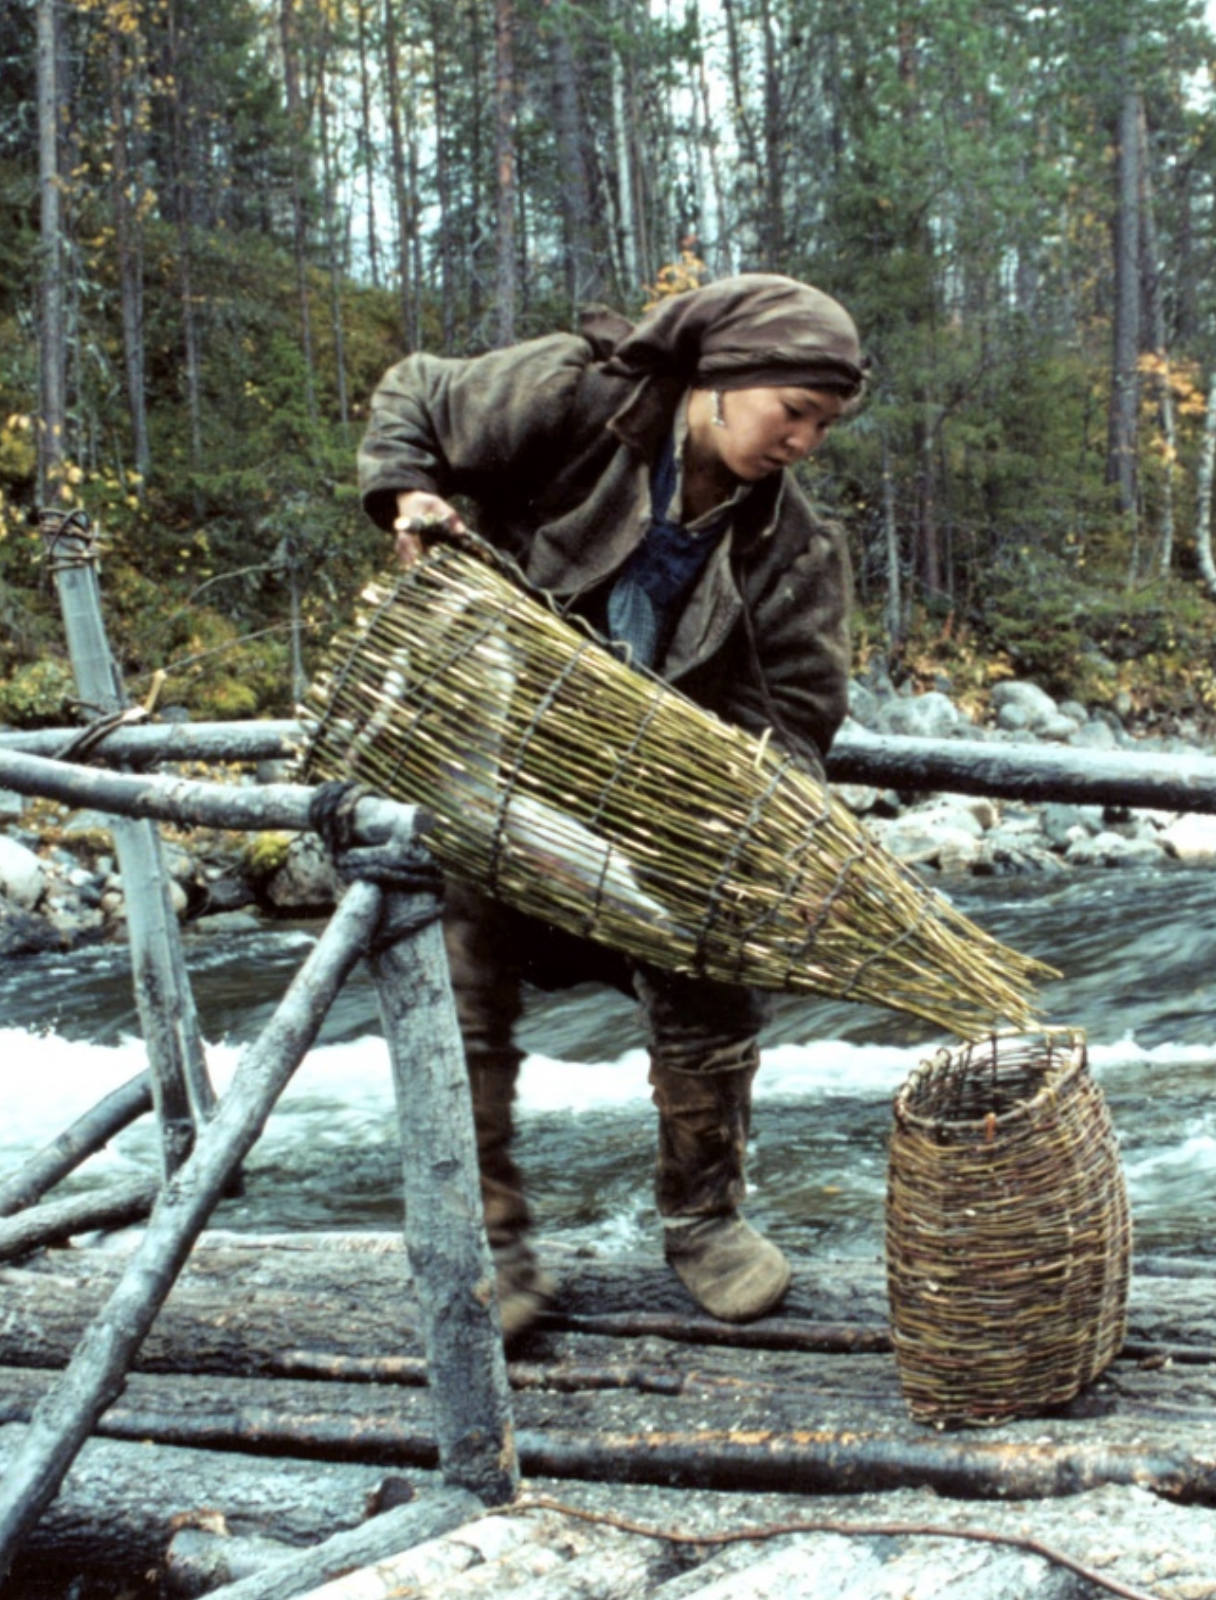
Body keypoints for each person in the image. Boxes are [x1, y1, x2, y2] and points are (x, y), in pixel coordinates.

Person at [355, 273, 867, 1335]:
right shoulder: (570, 403)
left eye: (824, 424)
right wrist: (405, 493)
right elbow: (415, 390)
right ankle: (487, 1237)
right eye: (793, 412)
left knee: (716, 958)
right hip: (495, 755)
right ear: (723, 382)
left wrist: (745, 809)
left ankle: (704, 1220)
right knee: (459, 971)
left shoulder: (795, 548)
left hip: (652, 797)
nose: (804, 442)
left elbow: (801, 714)